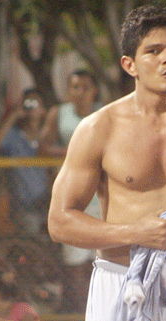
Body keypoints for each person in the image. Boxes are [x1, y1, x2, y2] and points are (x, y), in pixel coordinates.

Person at [46, 4, 166, 321]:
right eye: (154, 51)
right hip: (119, 281)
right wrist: (134, 232)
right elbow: (59, 221)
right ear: (130, 65)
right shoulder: (99, 128)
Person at [39, 69, 102, 313]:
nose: (80, 92)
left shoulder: (104, 113)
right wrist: (75, 153)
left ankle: (101, 311)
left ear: (94, 90)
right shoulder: (59, 113)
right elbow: (43, 146)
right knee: (74, 263)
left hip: (100, 196)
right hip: (71, 197)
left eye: (85, 86)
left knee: (100, 260)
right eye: (75, 86)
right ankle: (84, 312)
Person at [0, 89, 50, 237]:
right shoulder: (13, 135)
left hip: (47, 201)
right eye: (27, 103)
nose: (31, 107)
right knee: (32, 237)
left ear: (43, 110)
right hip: (22, 205)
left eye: (35, 103)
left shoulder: (47, 135)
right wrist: (12, 116)